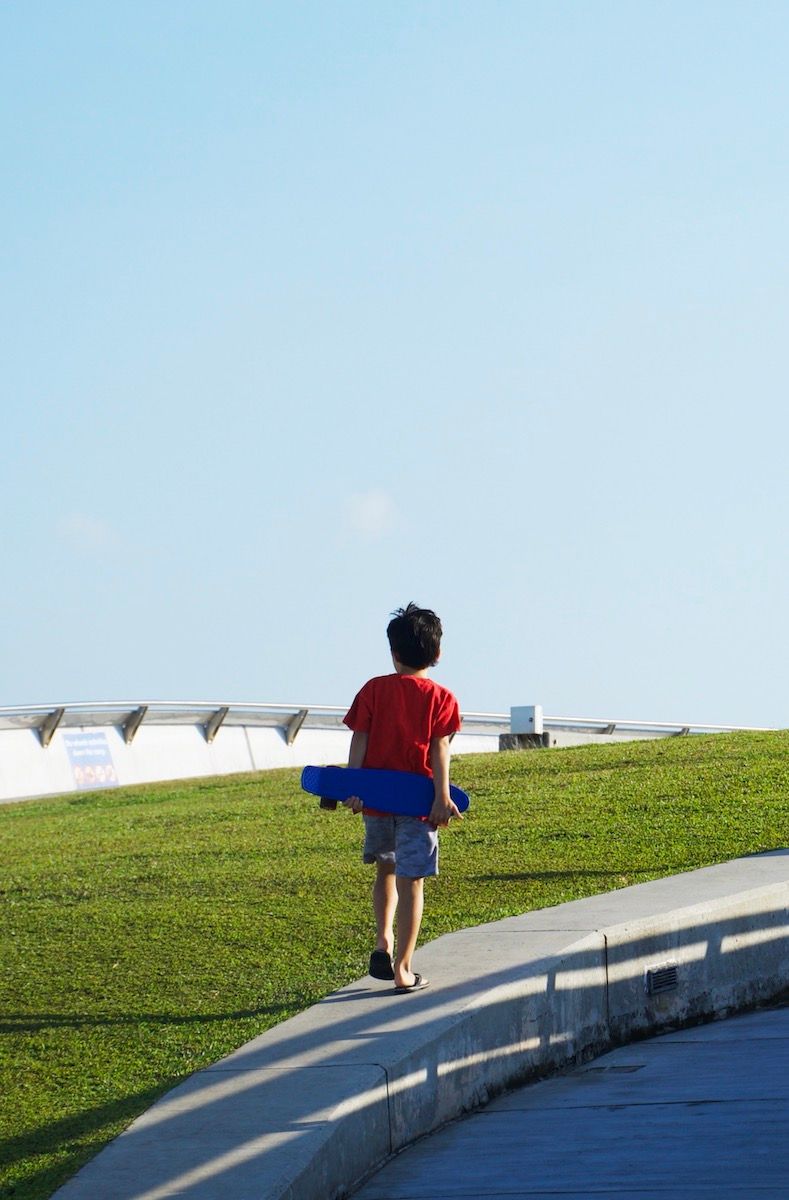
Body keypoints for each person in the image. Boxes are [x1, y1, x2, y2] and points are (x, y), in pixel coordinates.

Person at [343, 602, 462, 993]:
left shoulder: (373, 690)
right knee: (413, 882)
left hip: (376, 802)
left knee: (386, 870)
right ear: (438, 653)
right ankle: (404, 968)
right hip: (417, 805)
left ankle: (383, 940)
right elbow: (439, 749)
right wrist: (441, 797)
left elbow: (359, 738)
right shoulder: (441, 698)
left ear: (393, 653)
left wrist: (353, 787)